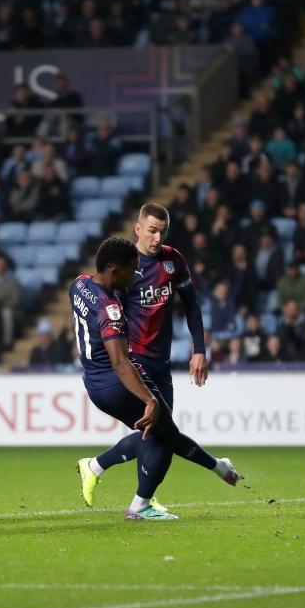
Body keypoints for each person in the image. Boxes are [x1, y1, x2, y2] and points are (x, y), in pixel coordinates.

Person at [76, 204, 241, 508]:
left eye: (162, 232)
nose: (157, 238)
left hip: (160, 361)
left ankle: (103, 471)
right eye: (152, 230)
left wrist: (199, 349)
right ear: (138, 229)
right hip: (133, 362)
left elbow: (191, 304)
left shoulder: (172, 260)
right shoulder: (124, 269)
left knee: (158, 432)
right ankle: (142, 502)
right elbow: (107, 316)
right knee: (161, 432)